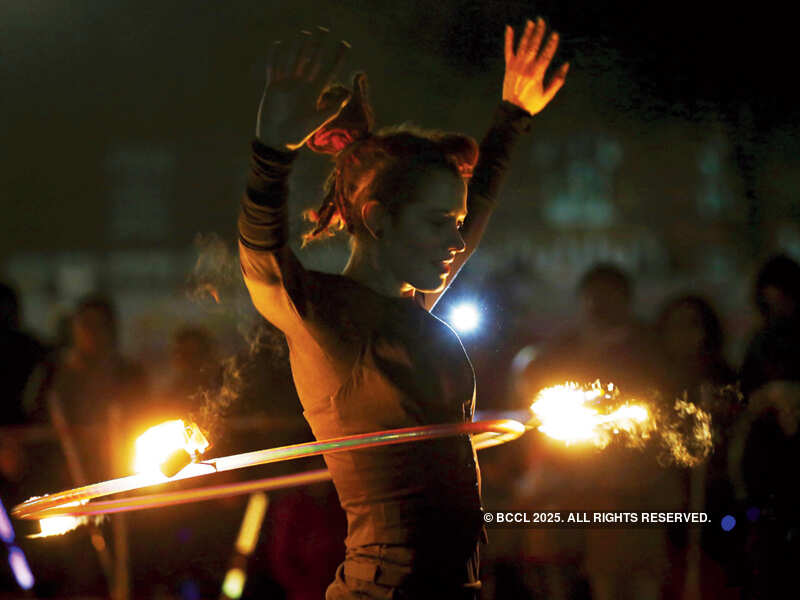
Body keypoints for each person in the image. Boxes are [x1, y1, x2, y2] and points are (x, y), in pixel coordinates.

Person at [237, 19, 568, 599]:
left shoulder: (410, 305)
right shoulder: (328, 319)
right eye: (438, 224)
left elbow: (477, 207)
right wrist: (271, 152)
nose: (455, 240)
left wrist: (513, 114)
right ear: (378, 219)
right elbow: (264, 263)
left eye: (456, 223)